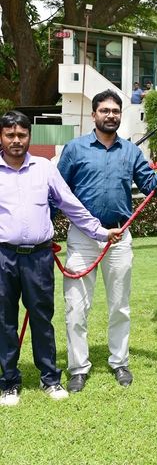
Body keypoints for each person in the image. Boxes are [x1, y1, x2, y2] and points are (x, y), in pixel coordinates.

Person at [57, 90, 157, 393]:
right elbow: (59, 192)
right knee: (76, 308)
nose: (111, 115)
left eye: (115, 111)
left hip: (119, 238)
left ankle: (119, 362)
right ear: (94, 114)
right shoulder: (74, 149)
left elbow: (152, 187)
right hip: (83, 240)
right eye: (105, 110)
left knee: (120, 307)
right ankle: (78, 368)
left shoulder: (131, 152)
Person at [0, 111, 122, 407]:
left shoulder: (44, 168)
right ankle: (9, 383)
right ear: (1, 137)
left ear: (30, 136)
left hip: (39, 257)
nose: (16, 141)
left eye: (22, 135)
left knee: (42, 318)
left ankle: (50, 379)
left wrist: (99, 231)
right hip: (3, 257)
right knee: (4, 321)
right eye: (10, 135)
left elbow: (71, 204)